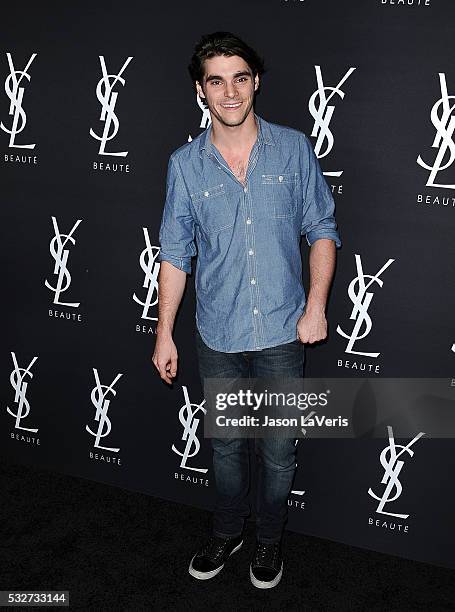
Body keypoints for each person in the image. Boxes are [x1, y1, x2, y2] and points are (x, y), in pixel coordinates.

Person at [152, 31, 341, 589]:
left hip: (285, 331)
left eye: (240, 78)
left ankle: (268, 541)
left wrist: (316, 305)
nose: (229, 92)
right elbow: (175, 253)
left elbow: (322, 229)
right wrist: (165, 332)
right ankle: (229, 530)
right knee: (229, 451)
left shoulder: (294, 148)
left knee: (280, 453)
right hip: (218, 334)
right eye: (217, 80)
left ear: (255, 82)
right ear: (200, 90)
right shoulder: (185, 166)